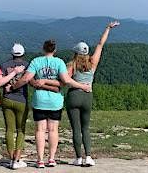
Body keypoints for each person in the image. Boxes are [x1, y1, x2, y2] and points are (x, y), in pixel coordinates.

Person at [12, 40, 91, 169]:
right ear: (54, 50)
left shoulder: (36, 61)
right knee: (53, 130)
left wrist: (14, 86)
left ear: (43, 49)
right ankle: (52, 159)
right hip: (55, 101)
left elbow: (26, 78)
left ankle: (40, 160)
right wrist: (82, 86)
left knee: (40, 130)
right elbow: (65, 81)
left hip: (40, 100)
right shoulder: (59, 62)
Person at [66, 21, 119, 167]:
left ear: (76, 53)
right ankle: (88, 157)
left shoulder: (71, 65)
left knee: (76, 129)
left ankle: (78, 158)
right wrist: (108, 28)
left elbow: (66, 80)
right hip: (87, 96)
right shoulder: (93, 62)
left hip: (73, 96)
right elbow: (100, 45)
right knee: (85, 128)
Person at [1, 43, 60, 169]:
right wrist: (51, 87)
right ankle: (17, 159)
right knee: (21, 129)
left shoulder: (4, 65)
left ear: (11, 53)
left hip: (6, 99)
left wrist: (9, 87)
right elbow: (32, 82)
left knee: (9, 130)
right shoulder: (27, 65)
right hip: (21, 100)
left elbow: (0, 82)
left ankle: (11, 158)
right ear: (23, 53)